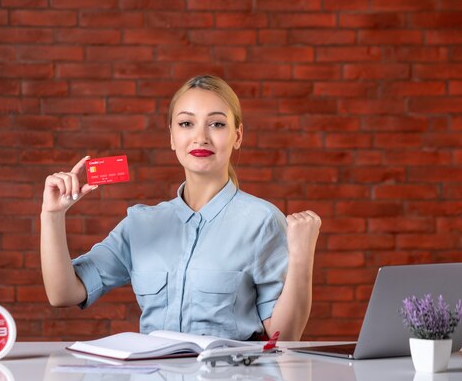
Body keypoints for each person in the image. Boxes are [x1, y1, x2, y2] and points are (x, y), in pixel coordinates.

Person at [40, 75, 320, 341]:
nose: (201, 137)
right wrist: (52, 216)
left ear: (238, 136)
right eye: (187, 124)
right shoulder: (140, 224)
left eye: (217, 124)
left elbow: (285, 336)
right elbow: (64, 293)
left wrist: (302, 257)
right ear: (172, 138)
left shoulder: (262, 221)